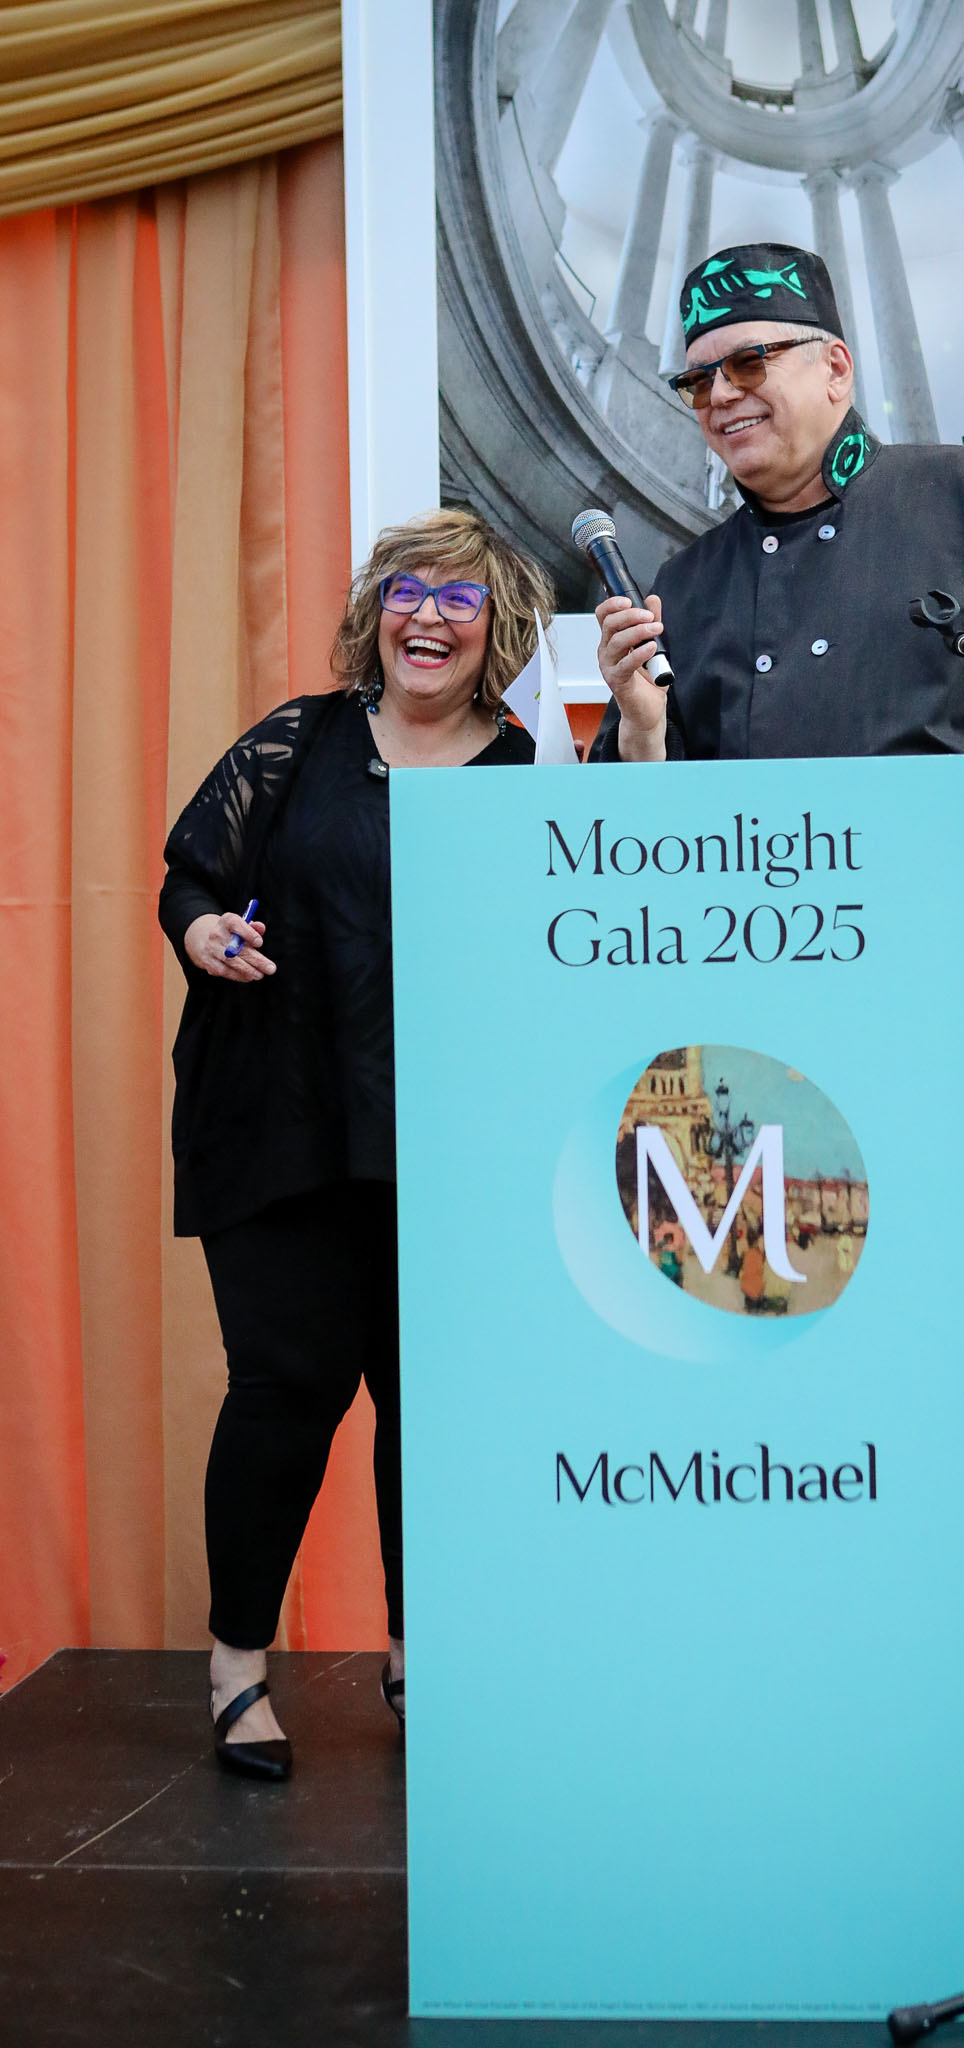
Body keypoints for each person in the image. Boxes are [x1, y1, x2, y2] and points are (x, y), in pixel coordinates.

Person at [590, 243, 964, 1833]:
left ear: (836, 367)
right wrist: (639, 737)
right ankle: (852, 1702)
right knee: (819, 1382)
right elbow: (655, 859)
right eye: (700, 379)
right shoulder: (686, 588)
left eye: (754, 362)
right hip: (787, 1060)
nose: (724, 395)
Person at [160, 507, 551, 1781]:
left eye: (459, 597)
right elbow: (189, 878)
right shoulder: (298, 739)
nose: (428, 616)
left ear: (496, 628)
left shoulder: (524, 772)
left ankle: (417, 1648)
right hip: (277, 1118)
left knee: (429, 1405)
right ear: (375, 614)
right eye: (406, 591)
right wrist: (203, 931)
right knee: (285, 1391)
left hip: (446, 1142)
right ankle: (235, 1661)